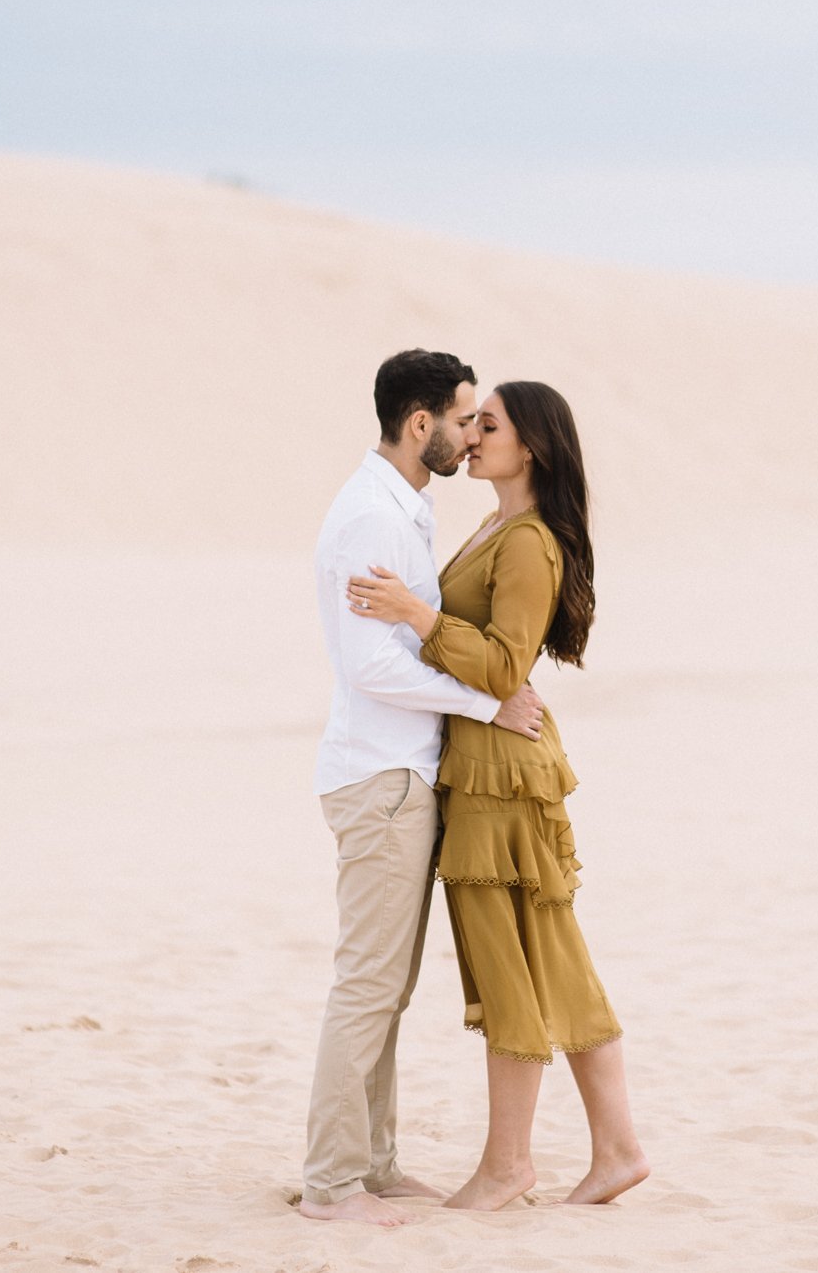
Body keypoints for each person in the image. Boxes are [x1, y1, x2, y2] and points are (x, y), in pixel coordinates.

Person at [347, 380, 649, 1210]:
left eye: (491, 424)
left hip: (501, 779)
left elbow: (505, 665)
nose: (472, 435)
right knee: (551, 959)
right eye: (471, 421)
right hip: (488, 765)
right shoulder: (498, 526)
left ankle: (508, 1167)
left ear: (533, 448)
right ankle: (618, 1150)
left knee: (512, 965)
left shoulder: (527, 541)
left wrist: (415, 614)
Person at [299, 350, 549, 1228]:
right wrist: (486, 701)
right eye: (462, 418)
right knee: (368, 984)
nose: (470, 433)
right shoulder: (372, 514)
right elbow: (373, 666)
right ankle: (330, 1185)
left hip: (401, 774)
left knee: (389, 987)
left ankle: (373, 1162)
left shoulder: (403, 508)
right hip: (380, 777)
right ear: (420, 424)